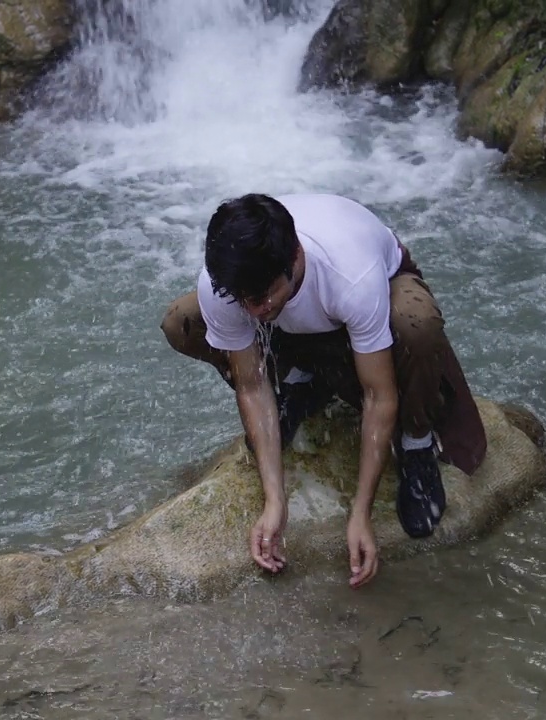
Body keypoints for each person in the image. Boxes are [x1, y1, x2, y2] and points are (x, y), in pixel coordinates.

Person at [160, 193, 486, 588]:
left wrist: (361, 513)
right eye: (242, 300)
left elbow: (377, 395)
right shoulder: (232, 288)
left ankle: (416, 442)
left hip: (384, 287)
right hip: (301, 323)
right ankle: (303, 380)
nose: (253, 309)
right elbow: (250, 383)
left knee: (415, 323)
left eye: (262, 296)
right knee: (184, 320)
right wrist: (274, 500)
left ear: (295, 258)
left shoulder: (349, 273)